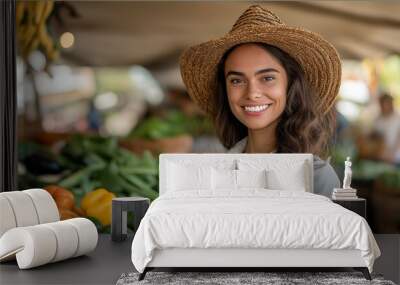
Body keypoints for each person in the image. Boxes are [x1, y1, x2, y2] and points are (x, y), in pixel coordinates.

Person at [179, 5, 341, 197]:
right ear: (226, 89)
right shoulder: (214, 174)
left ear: (290, 85)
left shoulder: (315, 176)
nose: (252, 93)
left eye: (267, 78)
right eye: (237, 80)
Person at [372, 93, 400, 165]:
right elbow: (376, 136)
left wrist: (392, 153)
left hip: (395, 157)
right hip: (381, 156)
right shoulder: (378, 118)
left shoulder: (397, 118)